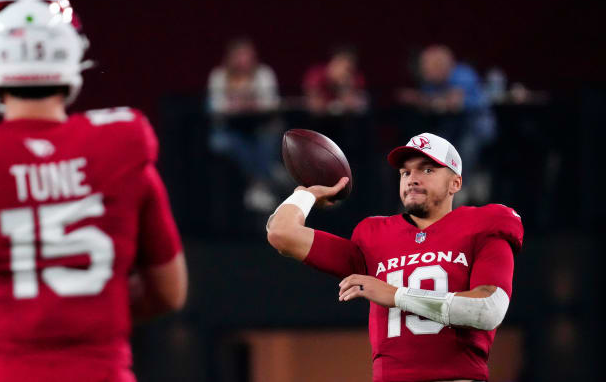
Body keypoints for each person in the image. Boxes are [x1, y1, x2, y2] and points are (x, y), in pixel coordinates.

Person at [0, 0, 187, 382]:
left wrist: (4, 313)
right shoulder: (122, 145)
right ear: (73, 53)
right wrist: (88, 312)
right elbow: (168, 291)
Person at [266, 132, 523, 382]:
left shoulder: (486, 222)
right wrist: (307, 193)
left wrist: (395, 295)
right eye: (405, 172)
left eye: (427, 170)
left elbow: (488, 309)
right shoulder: (374, 236)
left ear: (455, 183)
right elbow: (281, 233)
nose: (412, 179)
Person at [397, 45, 495, 189]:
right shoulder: (431, 82)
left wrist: (429, 100)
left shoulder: (462, 75)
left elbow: (455, 103)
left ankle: (462, 187)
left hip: (476, 125)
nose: (423, 71)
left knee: (465, 148)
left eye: (427, 67)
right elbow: (431, 101)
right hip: (450, 126)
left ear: (441, 65)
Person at [207, 38, 282, 212]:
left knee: (269, 136)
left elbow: (272, 103)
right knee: (224, 143)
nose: (243, 61)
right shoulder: (219, 76)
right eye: (239, 56)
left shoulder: (263, 74)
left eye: (247, 56)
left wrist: (252, 104)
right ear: (231, 58)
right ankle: (266, 176)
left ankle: (260, 183)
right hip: (228, 130)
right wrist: (235, 105)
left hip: (258, 128)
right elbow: (215, 106)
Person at [303, 45, 368, 115]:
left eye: (351, 70)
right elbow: (315, 105)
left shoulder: (355, 77)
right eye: (346, 69)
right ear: (335, 63)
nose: (348, 73)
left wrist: (345, 87)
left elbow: (355, 104)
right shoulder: (316, 74)